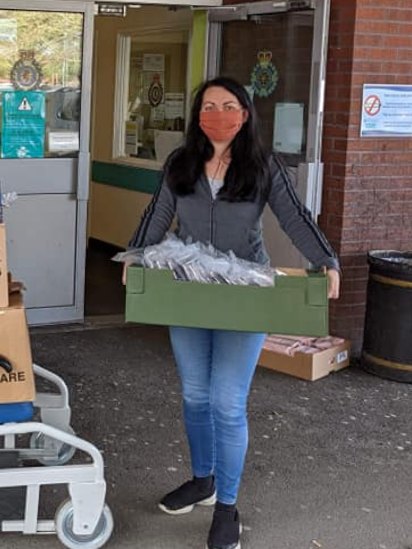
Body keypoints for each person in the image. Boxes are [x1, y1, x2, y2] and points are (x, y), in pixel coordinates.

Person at [125, 77, 341, 549]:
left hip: (245, 293)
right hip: (188, 292)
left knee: (226, 400)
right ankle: (203, 480)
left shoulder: (262, 165)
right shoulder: (180, 163)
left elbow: (295, 216)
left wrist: (326, 261)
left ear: (244, 113)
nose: (217, 113)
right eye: (208, 106)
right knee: (196, 394)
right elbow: (156, 215)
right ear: (197, 115)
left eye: (227, 105)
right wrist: (135, 258)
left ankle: (227, 505)